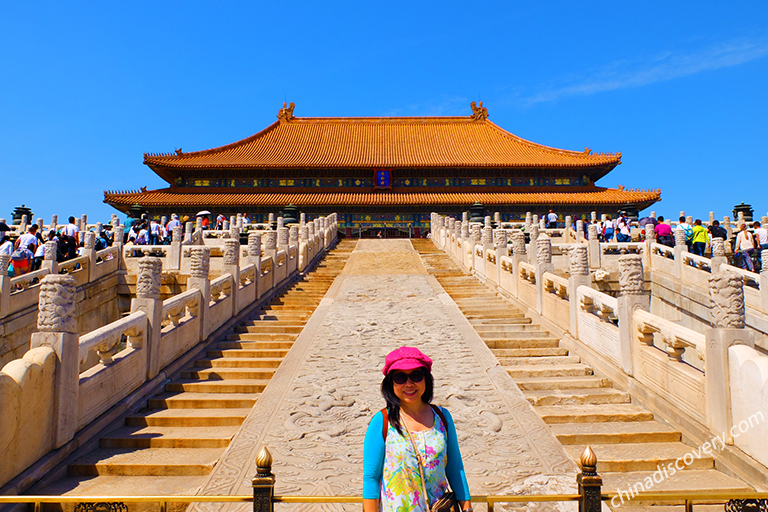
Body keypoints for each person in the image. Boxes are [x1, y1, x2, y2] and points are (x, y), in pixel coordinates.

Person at [363, 347, 472, 512]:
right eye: (400, 377)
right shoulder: (382, 421)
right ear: (390, 383)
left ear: (426, 379)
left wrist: (467, 509)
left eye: (416, 376)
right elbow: (371, 477)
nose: (409, 384)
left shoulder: (443, 417)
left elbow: (455, 468)